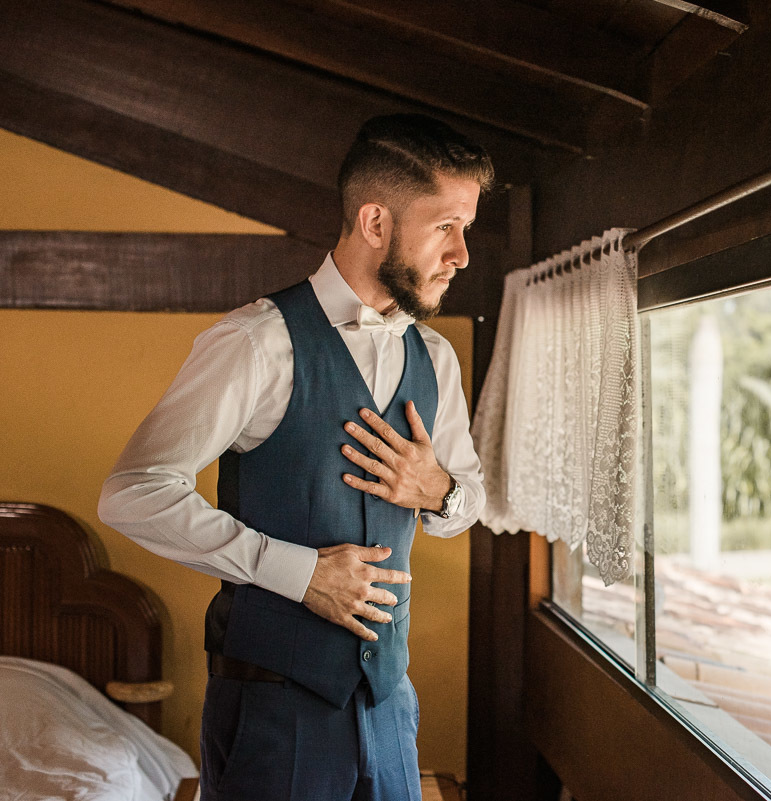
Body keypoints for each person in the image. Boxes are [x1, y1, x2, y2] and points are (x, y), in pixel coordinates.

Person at [99, 113, 493, 801]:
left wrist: (439, 492)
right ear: (375, 223)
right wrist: (297, 572)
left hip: (391, 709)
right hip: (273, 716)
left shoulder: (435, 358)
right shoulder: (257, 342)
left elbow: (467, 506)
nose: (462, 254)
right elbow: (132, 491)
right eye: (445, 227)